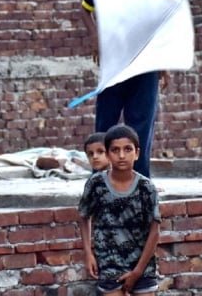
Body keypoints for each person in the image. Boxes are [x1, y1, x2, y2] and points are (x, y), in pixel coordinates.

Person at [81, 0, 170, 179]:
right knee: (106, 121)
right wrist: (95, 38)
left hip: (145, 61)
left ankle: (140, 181)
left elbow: (155, 21)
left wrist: (162, 65)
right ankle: (99, 180)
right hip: (115, 61)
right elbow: (86, 10)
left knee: (141, 124)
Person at [78, 124, 160, 295]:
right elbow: (84, 216)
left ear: (137, 153)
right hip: (109, 263)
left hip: (142, 265)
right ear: (108, 154)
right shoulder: (96, 184)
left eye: (128, 149)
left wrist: (137, 272)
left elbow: (155, 231)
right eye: (115, 150)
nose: (122, 155)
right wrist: (88, 254)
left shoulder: (147, 188)